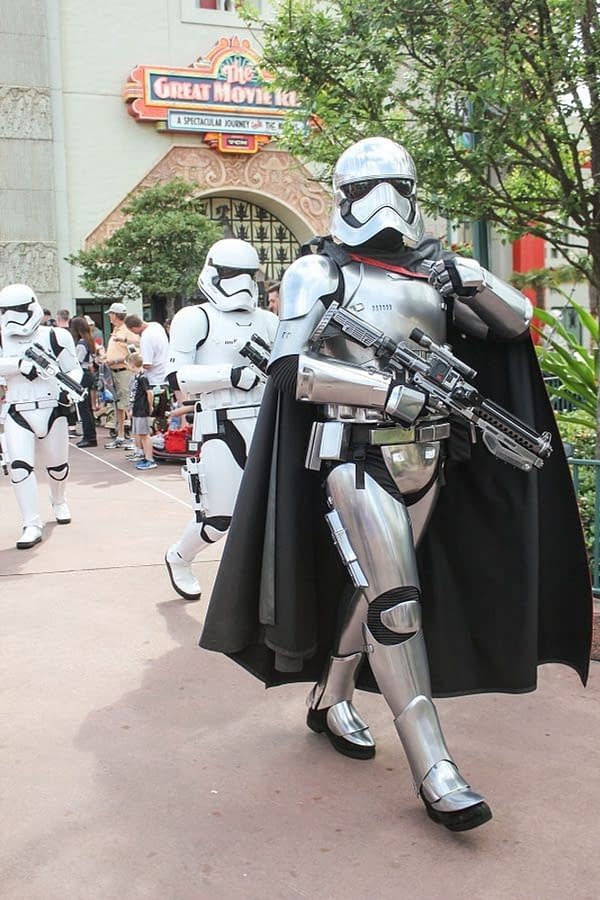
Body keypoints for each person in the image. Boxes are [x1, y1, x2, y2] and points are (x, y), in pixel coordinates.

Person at [198, 137, 592, 832]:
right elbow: (292, 369)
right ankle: (435, 768)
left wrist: (463, 273)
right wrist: (390, 392)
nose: (382, 204)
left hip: (433, 458)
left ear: (412, 194)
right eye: (364, 190)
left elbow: (514, 323)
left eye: (396, 188)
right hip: (354, 455)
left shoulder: (431, 277)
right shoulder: (318, 272)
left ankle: (330, 697)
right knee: (399, 603)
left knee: (372, 593)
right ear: (342, 198)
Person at [164, 237, 279, 601]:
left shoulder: (270, 320)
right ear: (213, 273)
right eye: (231, 273)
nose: (242, 282)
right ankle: (179, 556)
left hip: (267, 421)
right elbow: (177, 380)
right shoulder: (195, 318)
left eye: (249, 274)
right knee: (218, 519)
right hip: (219, 423)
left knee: (276, 514)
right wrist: (229, 375)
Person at [0, 283, 83, 548]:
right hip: (17, 409)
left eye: (18, 310)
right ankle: (31, 522)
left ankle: (59, 501)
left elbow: (73, 370)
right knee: (19, 467)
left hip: (51, 407)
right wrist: (20, 366)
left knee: (58, 468)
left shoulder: (56, 336)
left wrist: (68, 391)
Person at [100, 302, 139, 449]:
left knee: (127, 404)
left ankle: (134, 438)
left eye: (111, 313)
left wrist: (115, 360)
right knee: (119, 405)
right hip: (114, 371)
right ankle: (121, 435)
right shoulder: (116, 330)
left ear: (116, 315)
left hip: (123, 371)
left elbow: (133, 354)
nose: (109, 316)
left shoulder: (126, 331)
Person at [123, 314, 170, 429]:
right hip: (164, 376)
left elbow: (147, 364)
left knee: (152, 417)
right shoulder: (156, 326)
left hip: (154, 380)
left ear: (133, 328)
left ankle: (150, 439)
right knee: (163, 415)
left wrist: (135, 364)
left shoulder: (146, 338)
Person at [123, 351, 157, 470]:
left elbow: (149, 393)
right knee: (141, 434)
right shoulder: (137, 377)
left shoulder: (143, 378)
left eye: (128, 364)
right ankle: (145, 456)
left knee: (144, 435)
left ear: (132, 365)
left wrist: (150, 406)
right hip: (137, 409)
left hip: (142, 409)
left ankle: (150, 458)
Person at [69, 316, 98, 447]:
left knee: (84, 408)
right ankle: (90, 436)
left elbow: (76, 361)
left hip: (82, 375)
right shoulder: (89, 340)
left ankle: (89, 437)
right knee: (87, 409)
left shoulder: (81, 344)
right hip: (87, 374)